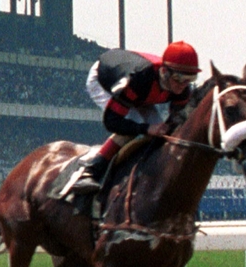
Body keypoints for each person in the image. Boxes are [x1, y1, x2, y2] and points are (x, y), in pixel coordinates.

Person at [63, 42, 201, 197]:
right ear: (164, 72)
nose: (183, 85)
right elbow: (112, 122)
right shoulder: (138, 80)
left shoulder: (182, 90)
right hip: (104, 80)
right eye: (178, 78)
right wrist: (145, 128)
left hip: (141, 92)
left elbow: (175, 123)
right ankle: (90, 170)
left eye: (189, 79)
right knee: (133, 127)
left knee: (162, 132)